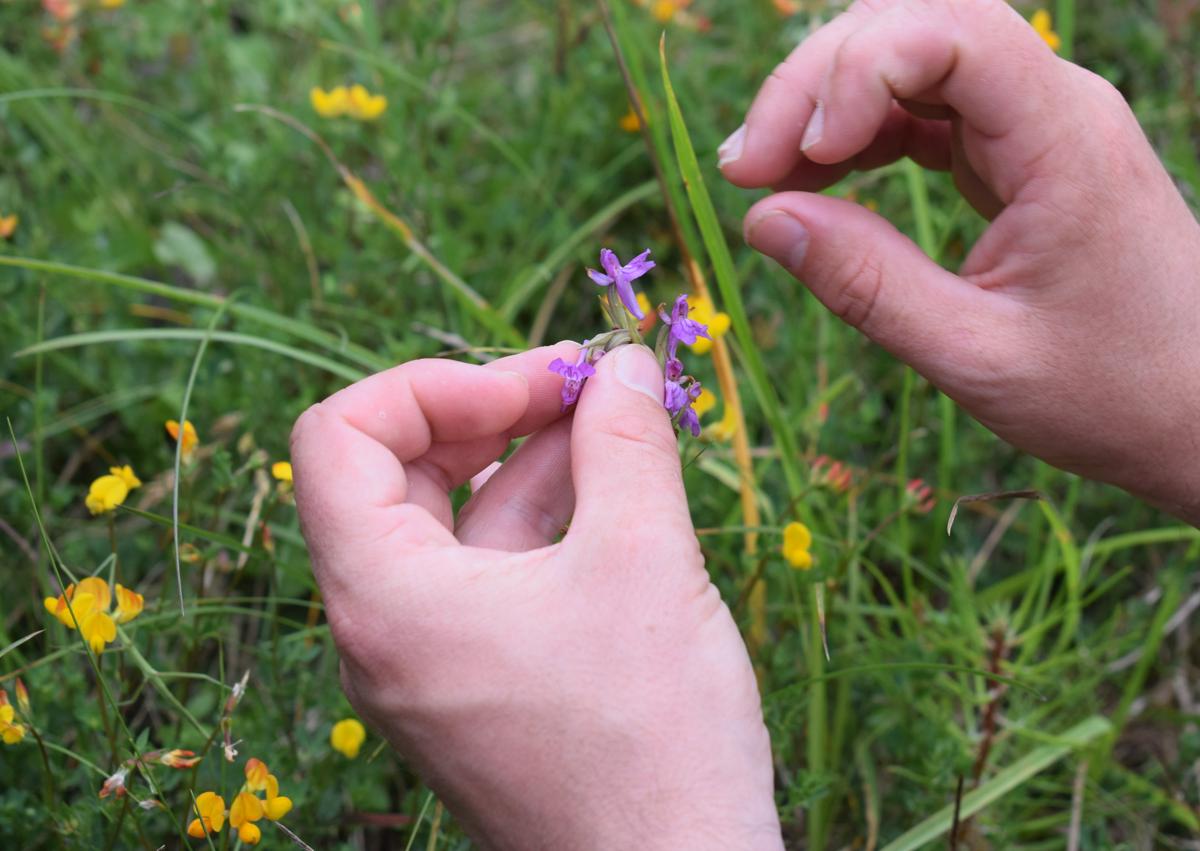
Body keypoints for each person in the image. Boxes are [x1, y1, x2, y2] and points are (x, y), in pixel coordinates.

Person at [289, 1, 1200, 847]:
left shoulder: (652, 345)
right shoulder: (622, 328)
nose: (625, 282)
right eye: (622, 279)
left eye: (630, 281)